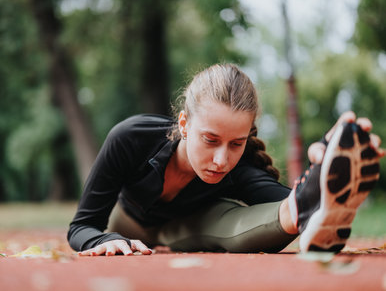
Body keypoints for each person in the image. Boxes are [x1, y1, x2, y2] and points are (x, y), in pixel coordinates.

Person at [67, 63, 384, 256]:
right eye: (210, 140)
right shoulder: (131, 138)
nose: (222, 160)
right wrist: (106, 239)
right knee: (109, 233)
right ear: (184, 124)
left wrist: (323, 171)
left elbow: (290, 201)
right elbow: (82, 226)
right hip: (125, 223)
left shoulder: (242, 167)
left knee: (283, 211)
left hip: (187, 227)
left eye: (236, 143)